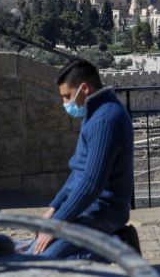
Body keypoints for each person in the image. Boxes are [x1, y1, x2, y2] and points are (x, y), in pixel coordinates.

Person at [26, 59, 135, 259]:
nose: (65, 103)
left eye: (67, 96)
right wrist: (54, 208)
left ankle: (117, 243)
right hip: (89, 209)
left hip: (104, 212)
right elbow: (79, 171)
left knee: (43, 260)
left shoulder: (105, 119)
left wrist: (59, 222)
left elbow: (91, 183)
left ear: (84, 88)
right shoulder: (94, 113)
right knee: (34, 250)